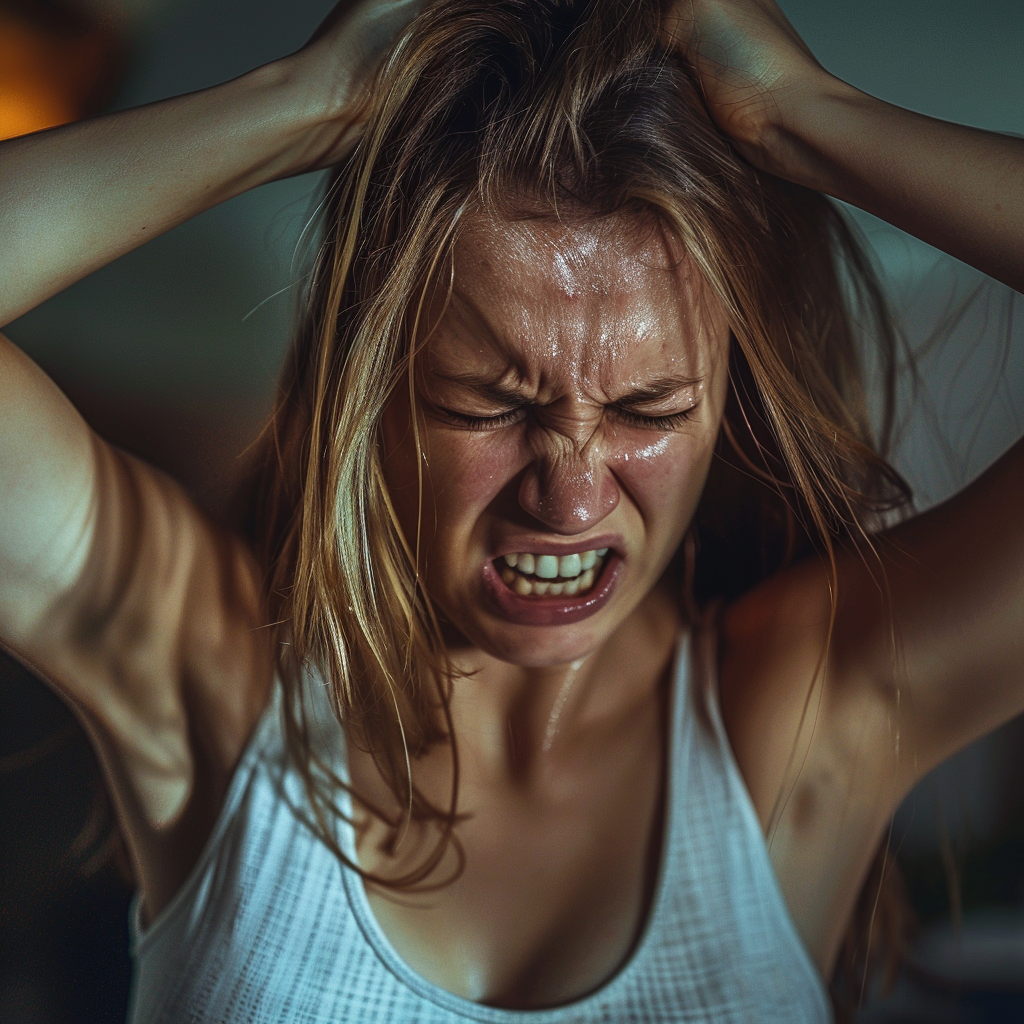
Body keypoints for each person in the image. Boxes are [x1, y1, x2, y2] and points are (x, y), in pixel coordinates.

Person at [1, 0, 1021, 1020]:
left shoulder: (813, 715)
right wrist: (302, 104)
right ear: (373, 390)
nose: (570, 495)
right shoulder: (202, 671)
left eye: (647, 409)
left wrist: (803, 114)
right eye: (488, 404)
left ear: (726, 404)